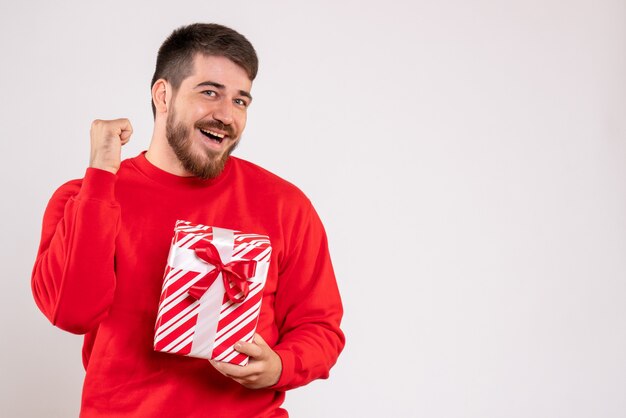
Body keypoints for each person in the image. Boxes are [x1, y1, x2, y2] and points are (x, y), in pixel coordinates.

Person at [31, 23, 344, 418]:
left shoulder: (285, 205)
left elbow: (321, 328)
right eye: (209, 92)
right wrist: (100, 176)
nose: (226, 115)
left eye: (241, 101)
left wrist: (279, 366)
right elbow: (72, 313)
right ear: (163, 95)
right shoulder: (83, 196)